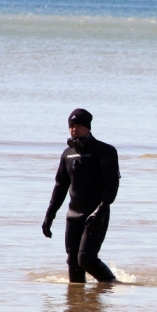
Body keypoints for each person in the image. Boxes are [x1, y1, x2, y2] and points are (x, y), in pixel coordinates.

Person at [41, 108, 121, 283]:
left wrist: (101, 210)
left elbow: (112, 184)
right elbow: (60, 187)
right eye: (71, 126)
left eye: (78, 125)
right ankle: (78, 306)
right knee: (73, 262)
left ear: (88, 127)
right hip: (73, 215)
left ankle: (112, 285)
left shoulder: (105, 151)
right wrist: (49, 216)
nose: (74, 129)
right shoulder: (67, 154)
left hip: (95, 214)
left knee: (86, 259)